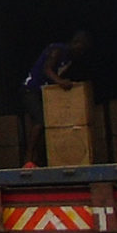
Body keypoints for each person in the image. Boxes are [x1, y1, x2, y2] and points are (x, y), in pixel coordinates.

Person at [19, 31, 92, 167]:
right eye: (81, 49)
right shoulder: (58, 50)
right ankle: (28, 157)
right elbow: (47, 69)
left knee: (49, 124)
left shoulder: (69, 59)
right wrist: (60, 82)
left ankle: (43, 158)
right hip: (30, 90)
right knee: (40, 121)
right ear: (76, 43)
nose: (80, 53)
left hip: (43, 92)